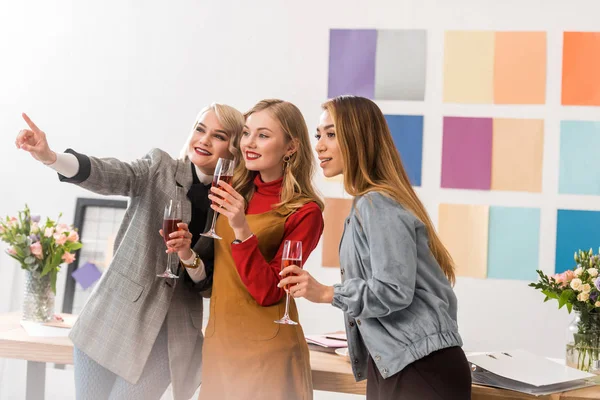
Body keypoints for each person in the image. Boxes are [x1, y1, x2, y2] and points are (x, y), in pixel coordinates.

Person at [15, 103, 245, 400]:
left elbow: (208, 284)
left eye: (218, 135)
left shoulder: (232, 206)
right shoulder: (160, 167)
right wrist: (51, 158)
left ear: (234, 148)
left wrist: (188, 254)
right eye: (200, 129)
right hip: (112, 316)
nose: (204, 139)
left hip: (171, 334)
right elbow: (111, 174)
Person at [279, 95, 472, 400]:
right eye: (319, 135)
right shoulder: (374, 200)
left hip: (419, 368)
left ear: (357, 138)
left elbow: (394, 289)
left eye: (331, 134)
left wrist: (328, 293)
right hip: (403, 365)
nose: (319, 146)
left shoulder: (376, 203)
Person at [175, 99, 324, 400]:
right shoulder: (233, 189)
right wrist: (186, 254)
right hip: (219, 344)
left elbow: (270, 291)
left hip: (268, 352)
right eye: (245, 133)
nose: (249, 144)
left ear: (291, 147)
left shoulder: (305, 211)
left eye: (263, 135)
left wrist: (241, 227)